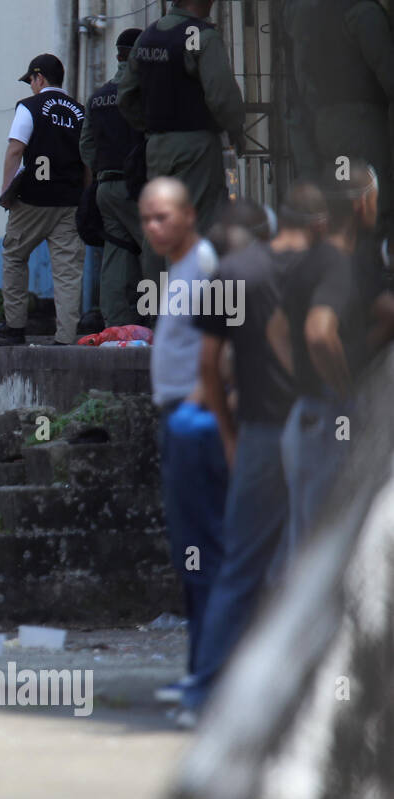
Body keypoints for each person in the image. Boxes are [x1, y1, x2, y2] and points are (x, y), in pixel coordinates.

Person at [181, 182, 329, 718]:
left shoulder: (236, 271)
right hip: (317, 427)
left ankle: (206, 694)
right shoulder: (328, 268)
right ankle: (297, 699)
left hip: (260, 433)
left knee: (241, 566)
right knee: (312, 564)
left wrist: (228, 433)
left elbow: (209, 366)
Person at [141, 177, 226, 725]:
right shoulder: (178, 265)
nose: (154, 228)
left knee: (207, 554)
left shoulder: (207, 265)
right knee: (188, 553)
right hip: (177, 414)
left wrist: (202, 405)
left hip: (197, 418)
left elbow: (224, 346)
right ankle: (200, 667)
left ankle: (215, 681)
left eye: (164, 216)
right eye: (147, 218)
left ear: (190, 214)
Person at [281, 164, 383, 552]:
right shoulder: (341, 263)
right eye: (375, 197)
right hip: (329, 418)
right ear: (361, 205)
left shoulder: (307, 260)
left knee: (304, 550)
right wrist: (343, 387)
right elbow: (319, 333)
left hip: (303, 416)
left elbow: (278, 329)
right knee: (327, 551)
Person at [118, 0, 246, 266]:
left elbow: (126, 96)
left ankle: (159, 300)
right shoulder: (201, 37)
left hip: (156, 146)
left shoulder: (147, 37)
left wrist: (153, 126)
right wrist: (234, 127)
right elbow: (222, 97)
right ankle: (192, 303)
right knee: (195, 225)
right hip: (196, 144)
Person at [0, 54, 89, 347]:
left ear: (39, 78)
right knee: (68, 271)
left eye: (31, 81)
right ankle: (65, 337)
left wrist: (6, 192)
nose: (31, 87)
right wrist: (84, 197)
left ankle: (14, 327)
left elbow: (15, 150)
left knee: (14, 256)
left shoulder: (30, 107)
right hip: (70, 202)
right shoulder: (80, 112)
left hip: (33, 200)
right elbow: (89, 161)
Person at [286, 0, 394, 235]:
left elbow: (301, 78)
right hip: (361, 123)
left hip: (325, 123)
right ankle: (366, 262)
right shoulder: (363, 12)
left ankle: (345, 261)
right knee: (369, 203)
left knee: (339, 201)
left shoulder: (307, 15)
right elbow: (388, 71)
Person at [81, 29, 146, 328]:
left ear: (117, 54)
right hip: (138, 188)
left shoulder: (97, 98)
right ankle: (164, 322)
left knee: (117, 255)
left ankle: (116, 325)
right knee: (160, 250)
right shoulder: (145, 93)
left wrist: (102, 172)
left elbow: (87, 146)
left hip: (105, 187)